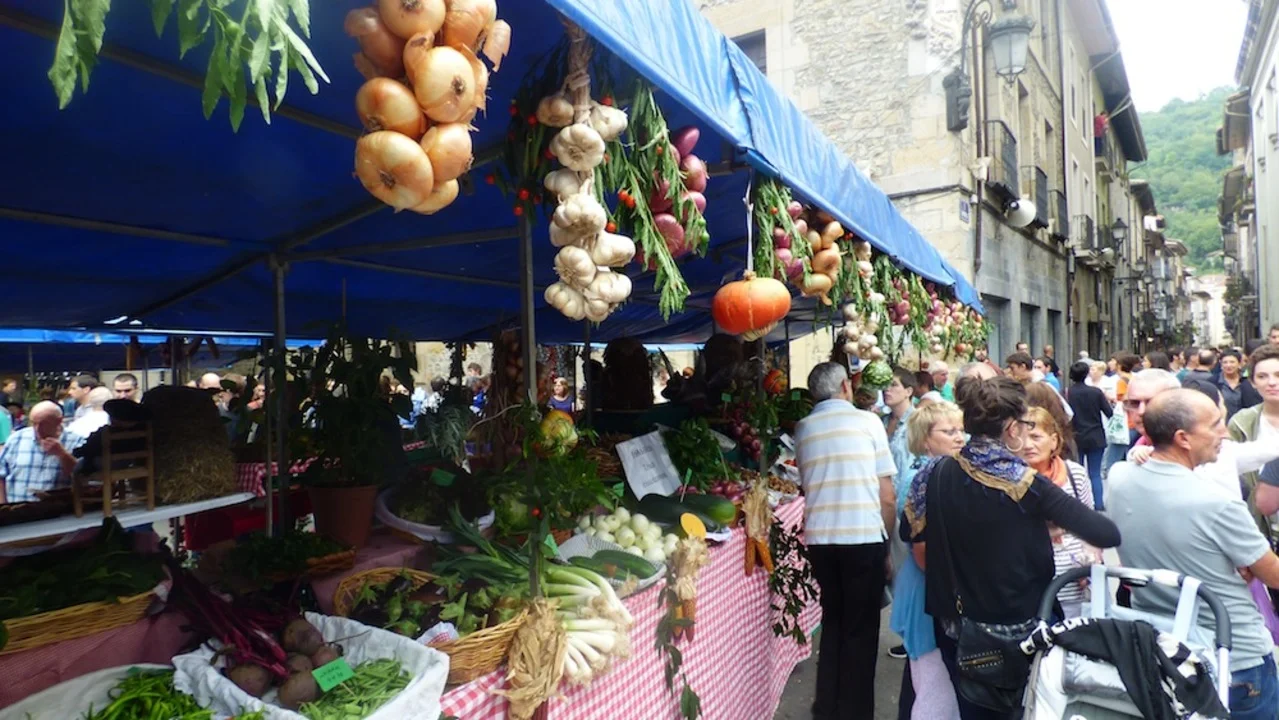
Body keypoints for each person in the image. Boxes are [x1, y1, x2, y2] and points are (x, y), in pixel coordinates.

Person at [903, 376, 1119, 720]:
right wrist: (1048, 525)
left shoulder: (935, 472)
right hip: (1016, 625)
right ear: (1012, 429)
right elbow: (1105, 532)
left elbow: (912, 533)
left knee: (972, 710)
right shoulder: (1025, 482)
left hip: (956, 623)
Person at [1109, 389, 1279, 718]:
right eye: (1215, 424)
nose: (1224, 433)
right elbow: (1273, 574)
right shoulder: (1215, 502)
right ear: (1183, 438)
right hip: (1233, 658)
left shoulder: (1119, 477)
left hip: (1162, 648)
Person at [794, 362, 896, 720]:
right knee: (861, 630)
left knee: (834, 621)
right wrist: (887, 545)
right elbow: (887, 496)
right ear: (844, 387)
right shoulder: (869, 422)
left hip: (821, 539)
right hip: (862, 536)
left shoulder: (803, 428)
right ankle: (854, 712)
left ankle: (827, 707)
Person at [891, 401, 965, 720]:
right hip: (927, 584)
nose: (959, 437)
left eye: (961, 430)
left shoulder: (941, 472)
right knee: (933, 679)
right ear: (925, 441)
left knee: (923, 677)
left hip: (928, 580)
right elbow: (921, 550)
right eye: (949, 431)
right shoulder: (921, 479)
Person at [1017, 406, 1101, 618]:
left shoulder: (1074, 474)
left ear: (1053, 441)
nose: (1028, 445)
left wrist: (1090, 562)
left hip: (1075, 585)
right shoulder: (1010, 481)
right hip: (1030, 588)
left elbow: (1091, 526)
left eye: (1036, 437)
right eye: (1021, 438)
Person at [882, 367, 917, 662]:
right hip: (882, 503)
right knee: (893, 570)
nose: (887, 390)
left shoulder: (915, 422)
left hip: (904, 504)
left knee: (906, 571)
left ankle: (912, 637)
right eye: (885, 385)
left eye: (893, 385)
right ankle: (908, 634)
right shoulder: (881, 421)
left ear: (909, 391)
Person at [0, 401, 86, 504]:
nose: (37, 429)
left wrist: (62, 454)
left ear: (59, 421)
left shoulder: (76, 441)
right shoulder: (16, 439)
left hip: (58, 510)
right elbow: (1, 475)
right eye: (34, 423)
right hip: (18, 509)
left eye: (44, 424)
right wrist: (3, 505)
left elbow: (82, 477)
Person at [1234, 345, 1279, 521]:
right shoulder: (1241, 422)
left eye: (1278, 375)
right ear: (1252, 382)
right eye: (1262, 376)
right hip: (1258, 521)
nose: (1271, 382)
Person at [1064, 360, 1112, 507]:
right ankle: (1098, 504)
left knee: (1075, 473)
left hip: (1075, 436)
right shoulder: (1096, 392)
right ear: (1086, 374)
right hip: (1095, 435)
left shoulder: (1067, 393)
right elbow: (1109, 412)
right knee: (1095, 473)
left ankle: (1079, 503)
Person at [1218, 349, 1262, 421]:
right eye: (1225, 362)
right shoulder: (1214, 382)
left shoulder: (1248, 382)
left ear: (1239, 364)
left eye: (1232, 362)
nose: (1228, 365)